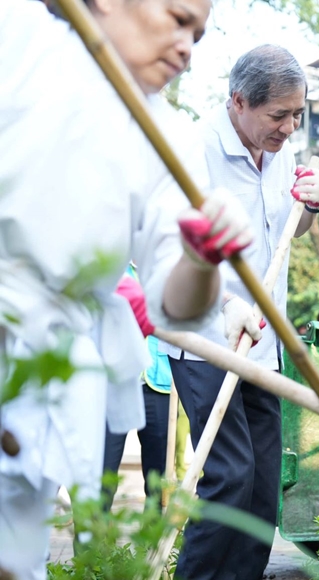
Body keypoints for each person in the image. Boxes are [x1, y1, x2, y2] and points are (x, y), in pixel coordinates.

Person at [0, 0, 255, 578]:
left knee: (15, 552)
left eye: (198, 32)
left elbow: (177, 304)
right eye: (177, 17)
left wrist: (201, 258)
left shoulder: (166, 135)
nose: (188, 46)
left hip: (46, 362)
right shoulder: (15, 35)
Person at [161, 45, 319, 580]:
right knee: (230, 476)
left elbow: (287, 233)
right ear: (238, 101)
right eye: (278, 115)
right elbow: (169, 247)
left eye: (296, 114)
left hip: (264, 341)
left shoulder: (278, 152)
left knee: (261, 488)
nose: (289, 127)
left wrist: (310, 207)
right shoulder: (193, 149)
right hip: (207, 334)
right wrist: (227, 302)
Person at [103, 267, 174, 509]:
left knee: (157, 477)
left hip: (158, 382)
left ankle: (152, 543)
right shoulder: (113, 265)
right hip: (116, 381)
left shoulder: (166, 264)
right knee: (103, 472)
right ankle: (91, 542)